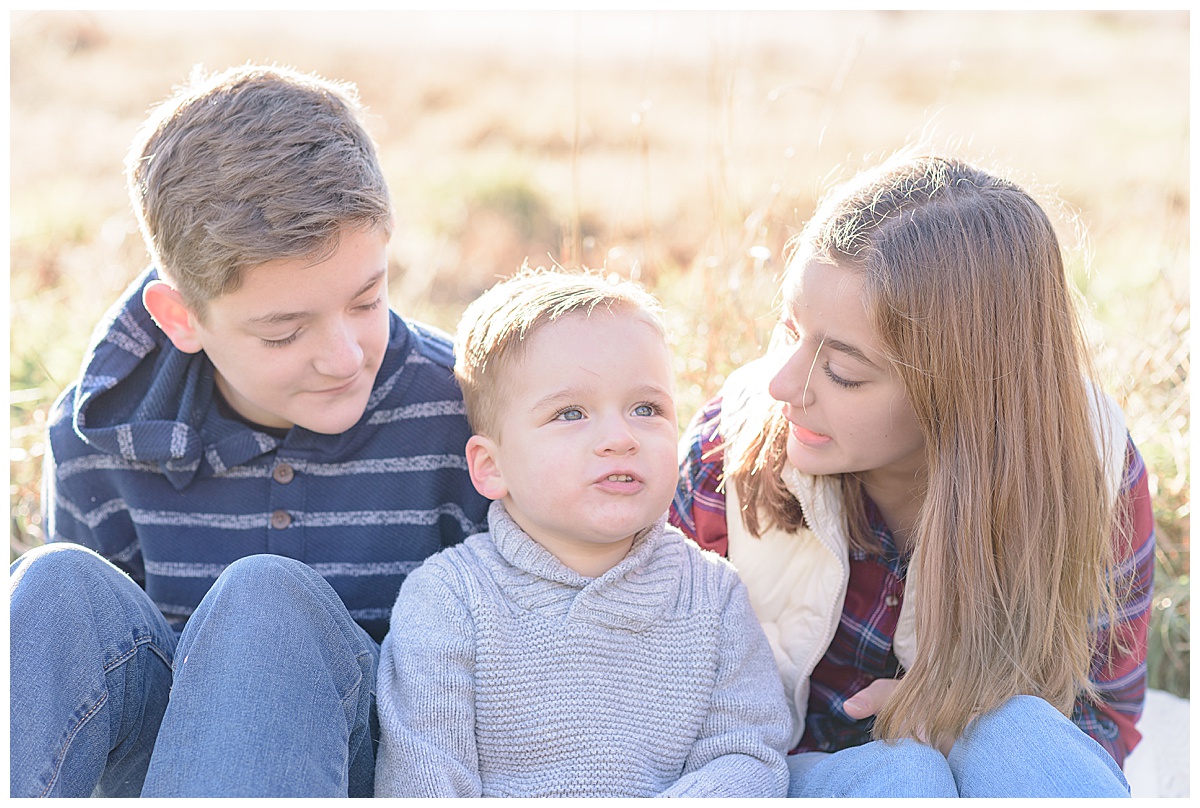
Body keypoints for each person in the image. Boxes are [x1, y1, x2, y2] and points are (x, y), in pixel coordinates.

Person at [9, 64, 490, 798]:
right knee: (52, 587)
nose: (344, 356)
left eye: (367, 300)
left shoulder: (460, 410)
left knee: (266, 601)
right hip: (170, 763)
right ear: (183, 319)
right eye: (283, 331)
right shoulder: (99, 437)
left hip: (377, 765)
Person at [669, 152, 1155, 798]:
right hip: (780, 775)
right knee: (904, 776)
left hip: (984, 765)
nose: (785, 384)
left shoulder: (1092, 465)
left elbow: (1099, 721)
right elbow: (659, 712)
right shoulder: (723, 454)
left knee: (1019, 737)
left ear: (961, 392)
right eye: (789, 332)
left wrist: (961, 726)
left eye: (842, 371)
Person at [373, 268, 793, 797]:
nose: (619, 438)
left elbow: (748, 754)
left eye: (647, 409)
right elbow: (425, 775)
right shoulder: (450, 598)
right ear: (490, 466)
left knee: (901, 770)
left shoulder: (712, 595)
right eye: (570, 413)